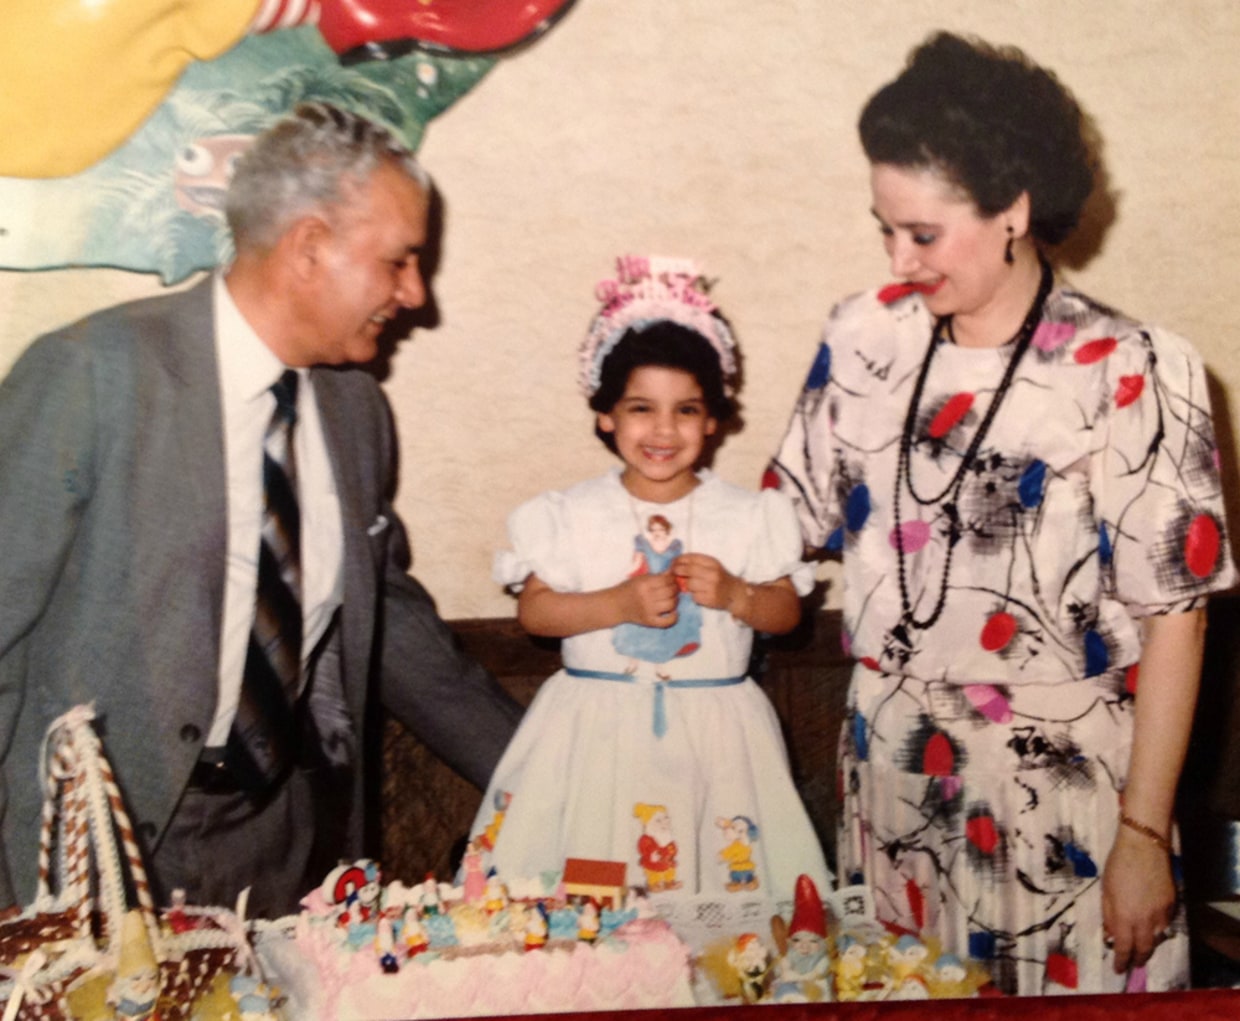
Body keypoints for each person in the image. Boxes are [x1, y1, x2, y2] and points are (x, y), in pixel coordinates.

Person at [767, 32, 1236, 996]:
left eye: (924, 234)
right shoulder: (864, 338)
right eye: (883, 227)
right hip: (892, 785)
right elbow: (779, 531)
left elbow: (1177, 617)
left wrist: (1145, 835)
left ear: (1014, 209)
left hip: (1067, 804)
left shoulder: (1139, 369)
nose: (899, 257)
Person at [0, 102, 523, 917]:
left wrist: (548, 769)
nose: (417, 294)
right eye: (399, 260)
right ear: (310, 246)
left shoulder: (356, 412)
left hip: (281, 857)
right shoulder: (89, 377)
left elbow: (391, 624)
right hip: (93, 862)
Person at [465, 254, 831, 900]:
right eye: (641, 408)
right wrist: (616, 602)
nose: (664, 430)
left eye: (686, 410)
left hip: (717, 744)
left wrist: (739, 595)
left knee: (723, 891)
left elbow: (787, 612)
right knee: (591, 888)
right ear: (606, 414)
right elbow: (536, 612)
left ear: (713, 418)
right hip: (595, 737)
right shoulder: (571, 515)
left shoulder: (749, 515)